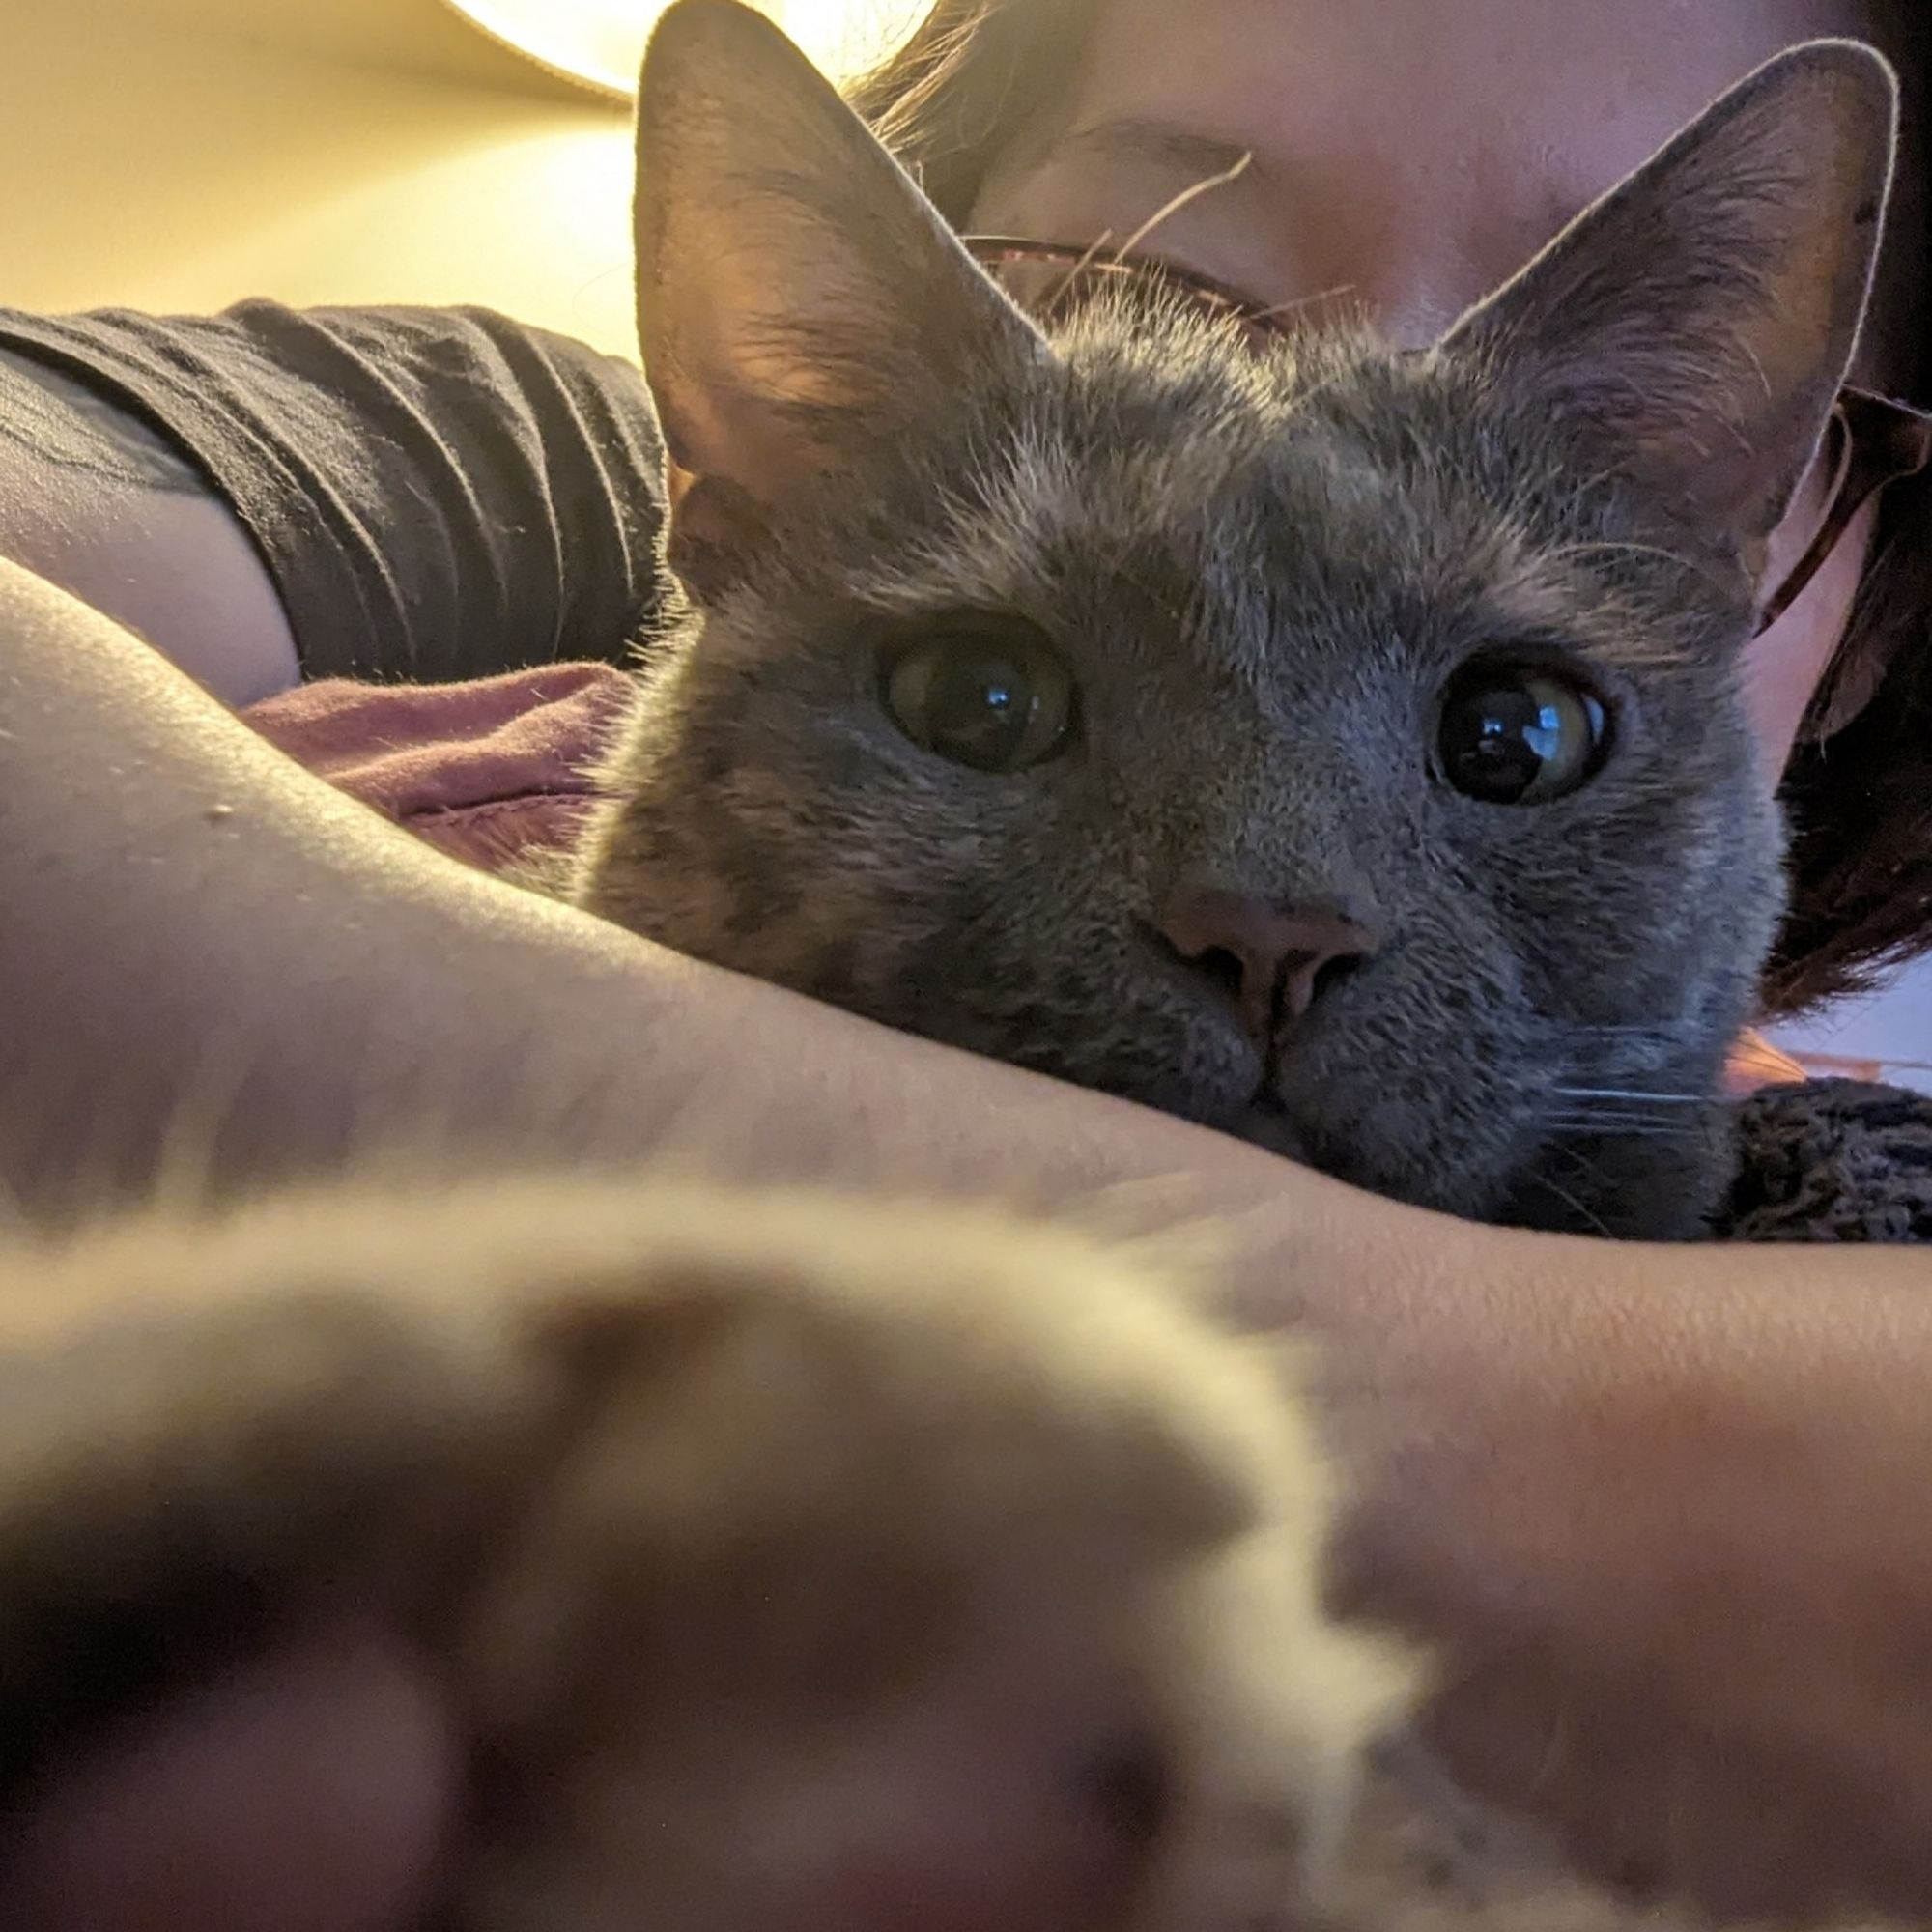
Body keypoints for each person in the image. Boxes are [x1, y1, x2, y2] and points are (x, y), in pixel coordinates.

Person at [5, 0, 1932, 1923]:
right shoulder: (480, 453)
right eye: (988, 693)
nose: (1274, 909)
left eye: (1503, 732)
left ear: (1785, 572)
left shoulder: (1857, 1231)